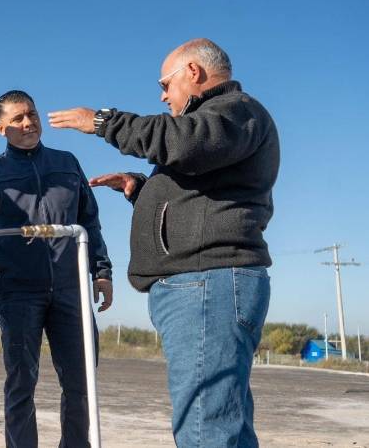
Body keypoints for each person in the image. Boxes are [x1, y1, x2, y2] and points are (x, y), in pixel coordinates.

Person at [48, 38, 279, 447]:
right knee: (221, 419)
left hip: (208, 283)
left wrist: (103, 121)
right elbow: (199, 190)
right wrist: (141, 190)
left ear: (193, 73)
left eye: (165, 83)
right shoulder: (216, 128)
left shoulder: (233, 112)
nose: (162, 95)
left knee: (205, 427)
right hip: (202, 285)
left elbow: (180, 140)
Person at [0, 90, 113, 448]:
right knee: (21, 383)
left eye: (31, 114)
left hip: (70, 290)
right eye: (17, 119)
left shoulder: (67, 163)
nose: (28, 123)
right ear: (2, 129)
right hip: (16, 292)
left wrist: (101, 271)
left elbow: (89, 222)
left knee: (81, 384)